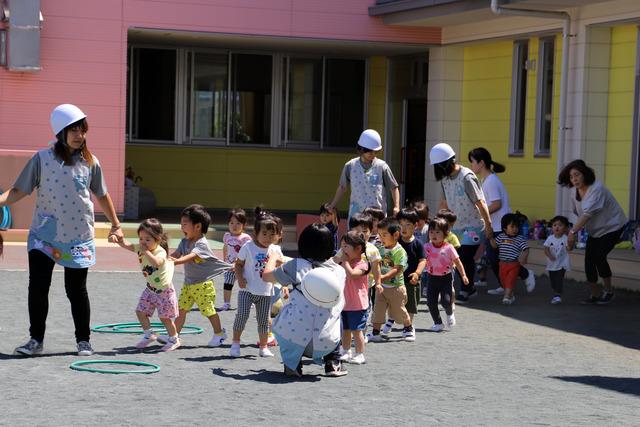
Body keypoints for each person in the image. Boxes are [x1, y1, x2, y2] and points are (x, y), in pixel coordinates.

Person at [0, 104, 123, 357]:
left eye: (82, 130)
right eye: (73, 130)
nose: (79, 135)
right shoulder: (41, 159)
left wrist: (116, 224)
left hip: (78, 237)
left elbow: (101, 194)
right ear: (60, 132)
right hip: (44, 235)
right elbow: (19, 190)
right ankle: (36, 340)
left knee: (76, 290)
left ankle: (83, 340)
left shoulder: (90, 161)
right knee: (38, 286)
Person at [262, 223, 348, 377]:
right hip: (327, 342)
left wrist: (274, 257)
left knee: (286, 311)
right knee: (336, 316)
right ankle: (333, 363)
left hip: (295, 338)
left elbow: (266, 276)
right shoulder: (340, 271)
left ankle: (292, 365)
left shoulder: (295, 266)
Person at [429, 143, 493, 303]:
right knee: (456, 256)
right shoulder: (445, 179)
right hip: (456, 227)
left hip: (473, 225)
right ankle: (470, 288)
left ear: (447, 163)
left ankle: (465, 289)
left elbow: (480, 202)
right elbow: (444, 202)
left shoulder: (467, 177)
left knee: (464, 255)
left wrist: (489, 225)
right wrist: (436, 223)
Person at [558, 159, 627, 305]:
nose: (574, 179)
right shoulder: (573, 192)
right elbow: (579, 214)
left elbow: (587, 214)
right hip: (595, 230)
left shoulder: (597, 189)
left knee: (599, 256)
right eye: (571, 177)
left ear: (585, 174)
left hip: (613, 226)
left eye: (577, 175)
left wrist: (572, 233)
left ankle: (609, 292)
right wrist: (573, 231)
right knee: (589, 260)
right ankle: (595, 294)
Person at [114, 218, 180, 351]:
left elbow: (157, 262)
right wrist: (119, 241)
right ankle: (149, 335)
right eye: (141, 239)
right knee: (140, 312)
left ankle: (174, 339)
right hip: (150, 289)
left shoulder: (160, 251)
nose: (143, 242)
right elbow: (127, 245)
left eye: (148, 239)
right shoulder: (141, 248)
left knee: (165, 318)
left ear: (158, 239)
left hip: (164, 291)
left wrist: (146, 252)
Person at [170, 204, 231, 346]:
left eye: (185, 224)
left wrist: (176, 262)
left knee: (209, 311)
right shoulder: (184, 241)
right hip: (189, 284)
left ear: (197, 226)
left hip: (203, 285)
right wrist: (166, 260)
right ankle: (174, 336)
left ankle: (219, 333)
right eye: (181, 224)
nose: (182, 227)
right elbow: (176, 254)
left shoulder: (201, 244)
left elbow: (191, 256)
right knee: (181, 311)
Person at [231, 208, 284, 358]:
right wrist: (240, 279)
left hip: (266, 291)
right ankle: (235, 343)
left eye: (272, 234)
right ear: (256, 233)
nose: (268, 238)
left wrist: (284, 284)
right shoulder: (248, 247)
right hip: (247, 290)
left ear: (277, 235)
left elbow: (281, 269)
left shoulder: (275, 249)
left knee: (263, 321)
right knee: (241, 316)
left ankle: (263, 346)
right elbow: (238, 264)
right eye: (264, 234)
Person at [327, 129, 400, 221]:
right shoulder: (350, 166)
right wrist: (332, 205)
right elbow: (342, 187)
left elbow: (394, 187)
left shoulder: (382, 166)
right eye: (370, 152)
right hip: (356, 214)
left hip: (376, 215)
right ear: (361, 149)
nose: (373, 154)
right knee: (355, 235)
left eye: (375, 152)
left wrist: (396, 206)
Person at [368, 218, 415, 342]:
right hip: (381, 287)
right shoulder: (379, 248)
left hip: (396, 288)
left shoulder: (400, 251)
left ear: (395, 235)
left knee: (399, 311)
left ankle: (408, 328)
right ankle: (375, 332)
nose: (381, 238)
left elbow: (397, 269)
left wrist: (381, 277)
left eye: (384, 235)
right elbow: (376, 262)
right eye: (379, 235)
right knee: (377, 310)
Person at [423, 217, 468, 331]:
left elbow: (457, 262)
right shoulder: (427, 247)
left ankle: (449, 313)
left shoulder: (449, 248)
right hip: (431, 278)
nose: (434, 235)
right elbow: (422, 260)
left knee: (446, 301)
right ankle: (438, 323)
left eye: (438, 232)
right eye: (431, 232)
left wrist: (463, 275)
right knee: (431, 302)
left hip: (446, 278)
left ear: (445, 234)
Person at [385, 208, 425, 330]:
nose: (404, 228)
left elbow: (423, 260)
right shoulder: (395, 243)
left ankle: (408, 327)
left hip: (411, 280)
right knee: (393, 301)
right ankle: (390, 319)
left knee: (411, 305)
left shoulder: (418, 244)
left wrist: (417, 273)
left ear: (416, 225)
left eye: (408, 224)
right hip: (396, 280)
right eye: (401, 225)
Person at [337, 231, 370, 365]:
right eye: (342, 246)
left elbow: (352, 275)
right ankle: (345, 351)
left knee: (357, 330)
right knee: (345, 329)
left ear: (358, 249)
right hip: (344, 303)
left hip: (357, 304)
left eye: (346, 246)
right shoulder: (343, 261)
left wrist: (344, 262)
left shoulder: (363, 265)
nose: (342, 249)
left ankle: (360, 354)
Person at [489, 213, 535, 305]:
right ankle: (510, 295)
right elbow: (494, 245)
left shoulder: (519, 239)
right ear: (505, 228)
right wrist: (490, 237)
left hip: (513, 264)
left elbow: (526, 249)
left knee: (510, 280)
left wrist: (524, 257)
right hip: (502, 264)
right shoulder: (501, 237)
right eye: (512, 227)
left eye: (517, 227)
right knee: (503, 281)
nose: (515, 229)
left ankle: (506, 297)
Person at [221, 208, 252, 311]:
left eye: (238, 223)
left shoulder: (245, 238)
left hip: (242, 267)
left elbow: (248, 253)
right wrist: (224, 261)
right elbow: (225, 248)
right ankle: (226, 303)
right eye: (231, 223)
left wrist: (241, 264)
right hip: (229, 266)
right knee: (227, 284)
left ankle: (249, 301)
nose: (234, 226)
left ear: (244, 225)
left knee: (245, 285)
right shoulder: (227, 236)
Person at [543, 215, 572, 305]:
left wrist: (571, 243)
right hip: (552, 264)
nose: (557, 227)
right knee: (553, 280)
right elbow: (546, 249)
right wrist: (550, 256)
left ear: (565, 228)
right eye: (554, 225)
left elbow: (569, 248)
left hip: (562, 263)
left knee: (559, 279)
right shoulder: (550, 238)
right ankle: (556, 290)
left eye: (560, 225)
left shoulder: (565, 238)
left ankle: (557, 295)